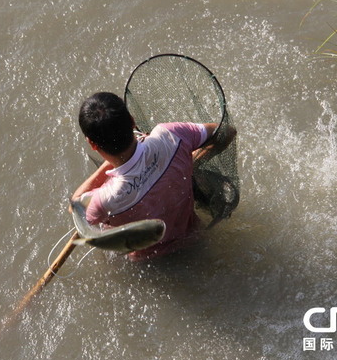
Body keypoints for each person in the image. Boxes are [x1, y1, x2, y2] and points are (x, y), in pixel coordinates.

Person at [70, 91, 226, 260]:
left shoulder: (103, 199)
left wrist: (110, 163)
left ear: (92, 144)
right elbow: (225, 132)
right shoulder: (172, 135)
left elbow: (76, 205)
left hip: (149, 260)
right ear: (131, 120)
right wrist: (191, 161)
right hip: (193, 236)